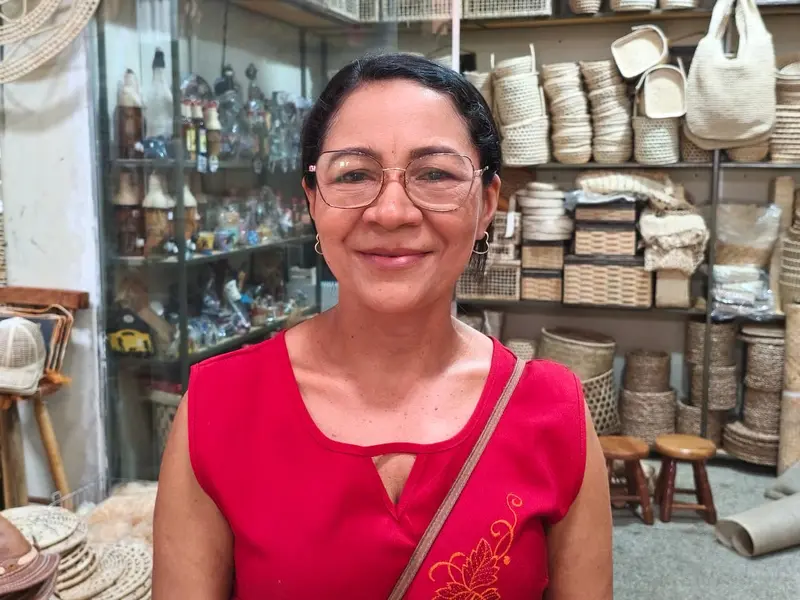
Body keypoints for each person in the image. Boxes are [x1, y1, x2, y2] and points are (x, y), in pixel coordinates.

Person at [153, 53, 613, 600]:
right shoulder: (219, 407)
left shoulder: (552, 413)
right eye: (354, 175)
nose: (391, 211)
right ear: (311, 201)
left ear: (487, 204)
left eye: (436, 173)